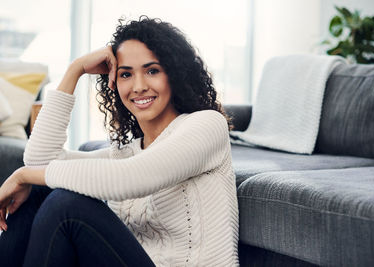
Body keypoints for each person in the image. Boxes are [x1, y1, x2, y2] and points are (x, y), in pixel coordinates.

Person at [0, 16, 239, 266]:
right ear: (114, 83)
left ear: (175, 74)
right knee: (39, 191)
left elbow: (131, 177)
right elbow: (39, 161)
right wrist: (76, 70)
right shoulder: (125, 154)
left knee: (67, 206)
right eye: (126, 74)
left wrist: (22, 176)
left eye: (152, 71)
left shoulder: (207, 125)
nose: (138, 86)